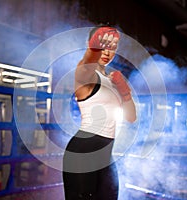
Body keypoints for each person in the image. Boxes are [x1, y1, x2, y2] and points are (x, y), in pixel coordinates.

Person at [63, 26, 137, 200]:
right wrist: (93, 50)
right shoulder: (87, 74)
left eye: (111, 47)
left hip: (106, 153)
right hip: (83, 151)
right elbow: (84, 68)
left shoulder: (112, 81)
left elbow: (131, 117)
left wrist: (125, 92)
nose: (107, 52)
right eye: (102, 46)